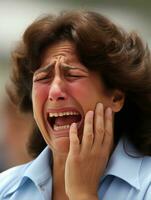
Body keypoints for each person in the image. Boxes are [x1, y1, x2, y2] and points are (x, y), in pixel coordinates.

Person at [0, 10, 151, 200]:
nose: (54, 92)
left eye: (73, 75)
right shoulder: (5, 189)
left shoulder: (146, 186)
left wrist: (83, 194)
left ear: (116, 97)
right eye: (43, 77)